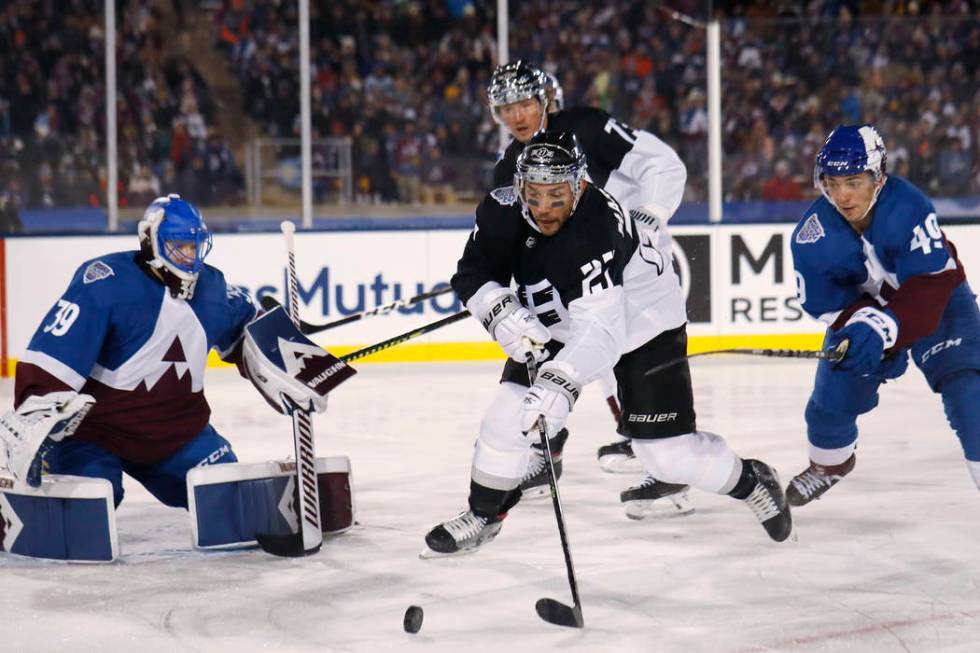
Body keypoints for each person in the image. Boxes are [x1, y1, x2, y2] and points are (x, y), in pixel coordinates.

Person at [422, 131, 792, 556]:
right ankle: (484, 516)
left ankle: (751, 481)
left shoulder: (593, 227)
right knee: (505, 420)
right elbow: (472, 273)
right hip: (559, 318)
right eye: (534, 194)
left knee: (666, 457)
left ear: (579, 185)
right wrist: (499, 310)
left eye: (556, 196)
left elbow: (602, 330)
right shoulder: (501, 208)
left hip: (642, 324)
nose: (542, 208)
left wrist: (560, 383)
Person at [0, 194, 330, 511]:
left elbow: (248, 326)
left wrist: (287, 354)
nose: (190, 254)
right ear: (151, 242)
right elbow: (56, 350)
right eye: (179, 245)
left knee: (229, 498)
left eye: (195, 245)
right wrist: (37, 413)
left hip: (176, 434)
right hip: (96, 433)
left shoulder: (211, 289)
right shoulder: (106, 282)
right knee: (89, 503)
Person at [486, 60, 690, 511]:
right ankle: (551, 449)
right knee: (556, 348)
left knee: (625, 355)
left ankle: (665, 462)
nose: (517, 116)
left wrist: (652, 213)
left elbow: (663, 163)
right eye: (506, 108)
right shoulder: (508, 167)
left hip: (632, 270)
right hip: (571, 277)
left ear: (548, 100)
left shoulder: (586, 128)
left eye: (525, 103)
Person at [787, 125, 980, 505]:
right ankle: (830, 465)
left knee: (969, 392)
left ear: (878, 177)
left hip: (937, 301)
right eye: (833, 181)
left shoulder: (908, 206)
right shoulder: (810, 236)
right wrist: (862, 323)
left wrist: (889, 330)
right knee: (829, 405)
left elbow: (929, 287)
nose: (842, 194)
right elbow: (828, 303)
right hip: (868, 312)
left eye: (854, 182)